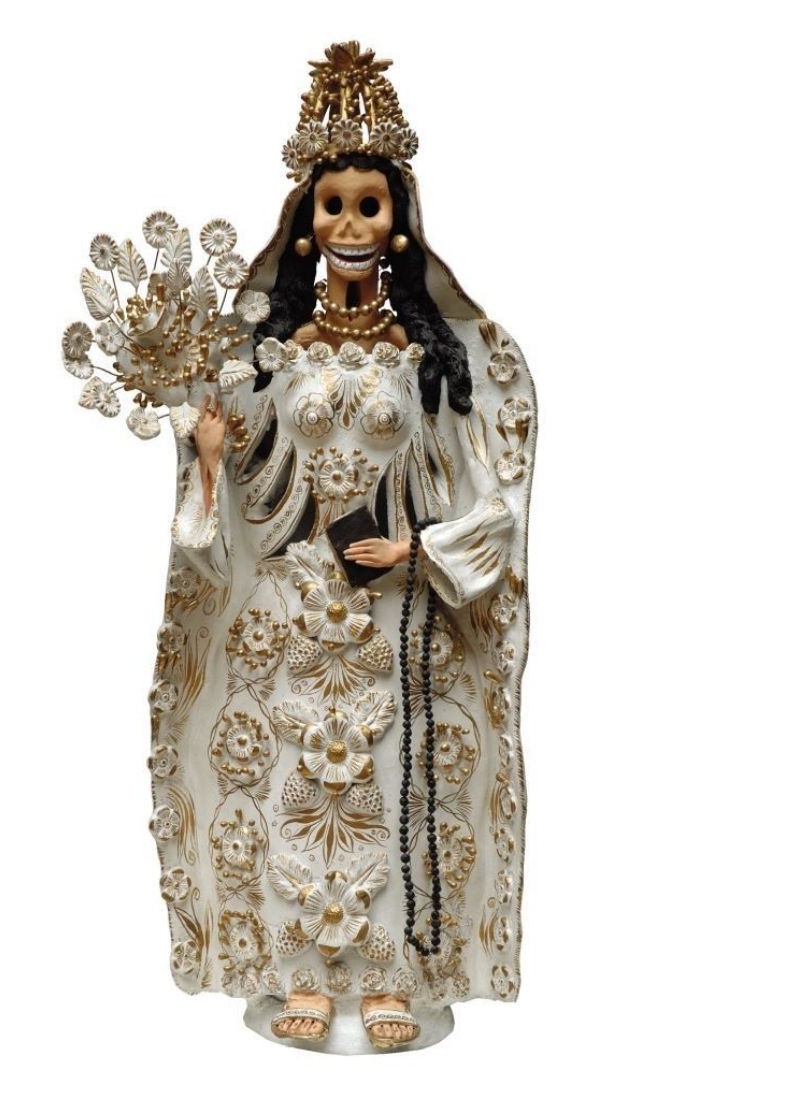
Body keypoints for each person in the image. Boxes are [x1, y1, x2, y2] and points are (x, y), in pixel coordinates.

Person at [146, 41, 536, 1052]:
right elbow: (248, 487)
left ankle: (393, 973)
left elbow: (487, 497)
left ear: (398, 221)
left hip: (394, 609)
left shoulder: (427, 358)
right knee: (296, 783)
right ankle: (303, 972)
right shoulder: (276, 356)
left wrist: (420, 553)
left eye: (369, 205)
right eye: (333, 206)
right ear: (306, 222)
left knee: (394, 784)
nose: (351, 226)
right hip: (292, 606)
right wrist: (209, 455)